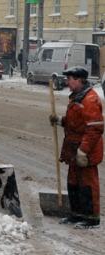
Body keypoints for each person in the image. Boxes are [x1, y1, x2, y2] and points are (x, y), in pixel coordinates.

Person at [49, 66, 103, 229]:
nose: (67, 82)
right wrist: (61, 120)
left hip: (86, 151)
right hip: (74, 148)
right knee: (73, 182)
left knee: (87, 184)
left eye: (70, 79)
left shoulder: (90, 99)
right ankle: (77, 214)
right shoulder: (77, 98)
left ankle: (91, 218)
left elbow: (95, 128)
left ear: (79, 80)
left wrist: (83, 150)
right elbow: (76, 122)